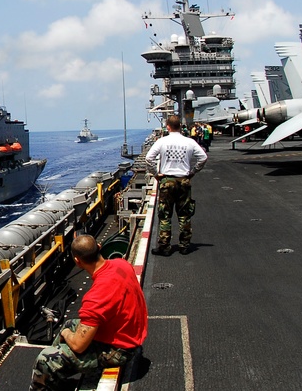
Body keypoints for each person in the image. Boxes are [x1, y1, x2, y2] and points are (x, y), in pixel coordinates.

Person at [30, 235, 147, 390]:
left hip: (120, 351)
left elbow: (78, 346)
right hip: (129, 333)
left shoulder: (95, 297)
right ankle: (57, 376)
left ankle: (50, 376)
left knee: (44, 359)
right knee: (70, 324)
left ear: (77, 261)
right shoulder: (121, 264)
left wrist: (65, 333)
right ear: (99, 247)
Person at [145, 114, 208, 256]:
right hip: (184, 180)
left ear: (167, 127)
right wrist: (193, 171)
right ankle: (184, 245)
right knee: (184, 214)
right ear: (180, 126)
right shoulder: (189, 142)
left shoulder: (162, 141)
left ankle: (164, 246)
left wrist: (156, 174)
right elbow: (203, 157)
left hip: (167, 181)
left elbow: (149, 159)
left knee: (165, 215)